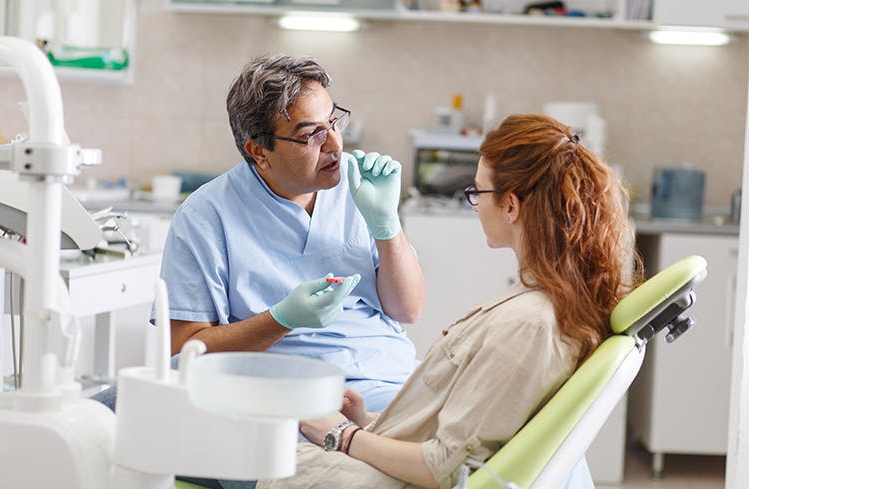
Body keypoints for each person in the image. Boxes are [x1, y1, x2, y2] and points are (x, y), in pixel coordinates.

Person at [255, 113, 641, 489]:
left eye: (477, 192)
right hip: (398, 445)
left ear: (511, 206)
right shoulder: (544, 304)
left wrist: (343, 435)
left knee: (284, 464)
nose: (474, 204)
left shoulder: (529, 324)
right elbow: (470, 425)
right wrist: (369, 422)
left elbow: (444, 466)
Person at [93, 54, 424, 416]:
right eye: (311, 134)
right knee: (114, 408)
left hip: (385, 380)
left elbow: (408, 309)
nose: (334, 144)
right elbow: (184, 352)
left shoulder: (360, 186)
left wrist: (386, 226)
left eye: (334, 122)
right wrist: (282, 319)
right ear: (259, 151)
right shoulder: (207, 215)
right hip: (280, 392)